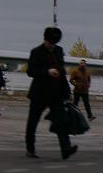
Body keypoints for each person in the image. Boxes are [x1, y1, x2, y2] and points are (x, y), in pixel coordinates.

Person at [25, 26, 76, 159]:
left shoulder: (59, 50)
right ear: (45, 40)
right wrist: (47, 72)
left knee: (61, 121)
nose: (52, 46)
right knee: (33, 122)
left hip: (56, 93)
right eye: (50, 43)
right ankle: (30, 148)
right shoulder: (36, 52)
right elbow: (30, 71)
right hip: (39, 94)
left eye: (54, 44)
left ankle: (66, 149)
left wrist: (67, 92)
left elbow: (62, 72)